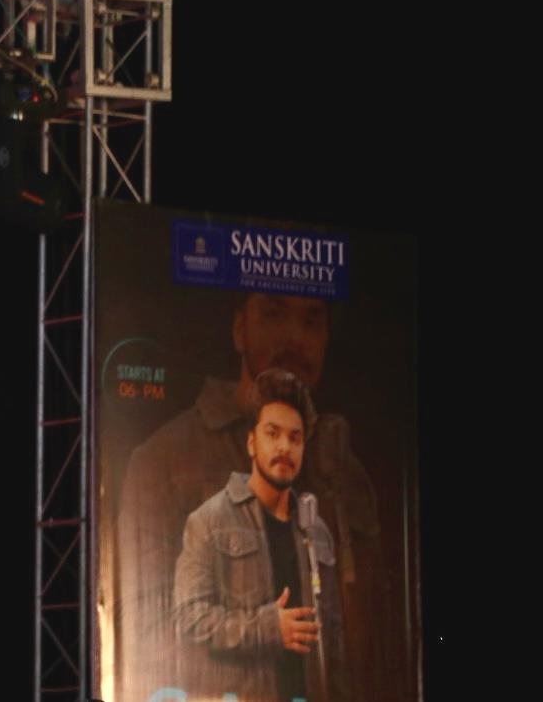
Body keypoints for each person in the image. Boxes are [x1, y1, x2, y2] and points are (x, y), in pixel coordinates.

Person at [115, 293, 376, 702]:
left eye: (312, 321)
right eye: (274, 313)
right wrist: (266, 630)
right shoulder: (163, 460)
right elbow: (148, 638)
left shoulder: (343, 472)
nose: (295, 337)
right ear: (240, 329)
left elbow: (367, 642)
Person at [171, 368, 348, 702]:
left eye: (295, 438)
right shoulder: (209, 521)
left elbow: (333, 638)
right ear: (252, 443)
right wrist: (268, 629)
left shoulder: (317, 530)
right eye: (273, 433)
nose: (284, 446)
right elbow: (189, 619)